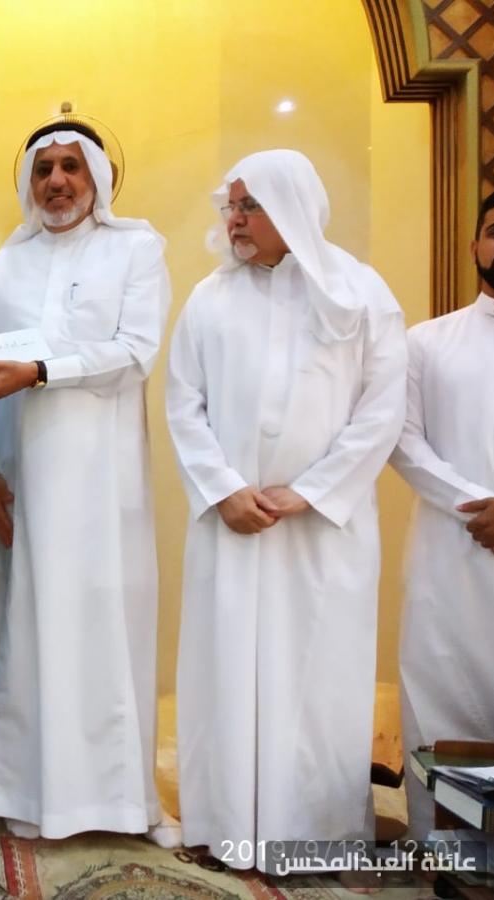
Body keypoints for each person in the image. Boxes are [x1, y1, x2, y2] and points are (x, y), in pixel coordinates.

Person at [166, 149, 407, 872]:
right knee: (226, 675)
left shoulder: (360, 292)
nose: (234, 220)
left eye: (250, 206)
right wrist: (223, 490)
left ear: (292, 207)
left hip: (323, 533)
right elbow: (184, 404)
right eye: (231, 207)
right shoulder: (209, 297)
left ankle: (316, 832)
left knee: (316, 679)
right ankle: (225, 824)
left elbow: (382, 409)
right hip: (232, 527)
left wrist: (312, 491)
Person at [0, 118, 176, 844]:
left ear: (97, 178)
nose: (56, 181)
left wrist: (43, 370)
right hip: (22, 483)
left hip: (102, 485)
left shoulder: (135, 248)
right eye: (44, 168)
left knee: (102, 631)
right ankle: (23, 794)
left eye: (71, 167)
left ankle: (118, 802)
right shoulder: (6, 264)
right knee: (25, 633)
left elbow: (136, 350)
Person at [389, 189, 494, 840]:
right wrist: (477, 509)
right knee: (446, 703)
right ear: (475, 246)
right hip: (451, 558)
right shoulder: (426, 342)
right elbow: (403, 442)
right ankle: (453, 859)